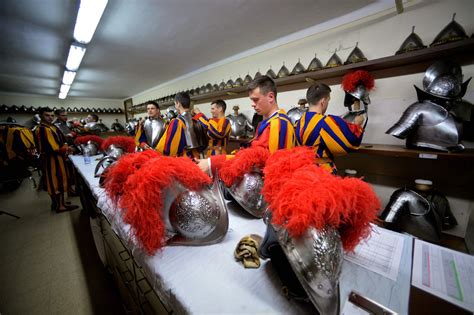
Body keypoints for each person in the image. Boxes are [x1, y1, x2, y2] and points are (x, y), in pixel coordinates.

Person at [197, 75, 295, 175]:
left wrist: (212, 163)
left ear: (270, 97)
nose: (252, 104)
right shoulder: (267, 122)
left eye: (256, 99)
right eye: (251, 100)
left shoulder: (279, 123)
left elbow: (270, 166)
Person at [295, 83, 364, 174]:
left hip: (302, 171)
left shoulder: (298, 123)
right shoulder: (325, 122)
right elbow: (351, 142)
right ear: (323, 101)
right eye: (328, 101)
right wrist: (357, 124)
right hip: (321, 173)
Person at [34, 107, 78, 212]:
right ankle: (60, 206)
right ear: (41, 116)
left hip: (58, 157)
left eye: (52, 115)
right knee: (56, 181)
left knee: (60, 179)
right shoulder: (42, 129)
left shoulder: (52, 126)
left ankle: (58, 203)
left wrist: (66, 146)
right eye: (47, 115)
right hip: (51, 159)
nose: (50, 118)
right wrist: (67, 148)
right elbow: (52, 148)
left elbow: (62, 140)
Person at [156, 92, 205, 158]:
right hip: (197, 157)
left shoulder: (176, 122)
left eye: (175, 104)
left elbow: (169, 148)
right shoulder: (197, 119)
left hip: (184, 160)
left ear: (178, 104)